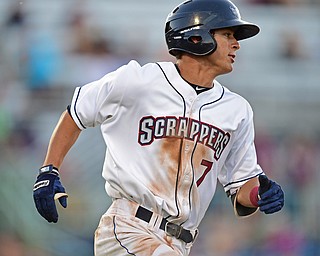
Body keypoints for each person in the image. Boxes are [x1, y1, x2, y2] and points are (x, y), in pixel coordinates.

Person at [33, 0, 284, 255]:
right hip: (129, 227)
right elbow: (76, 113)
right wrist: (48, 171)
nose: (236, 44)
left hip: (180, 242)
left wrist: (260, 194)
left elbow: (241, 192)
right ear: (196, 36)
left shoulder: (236, 110)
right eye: (228, 34)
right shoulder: (138, 81)